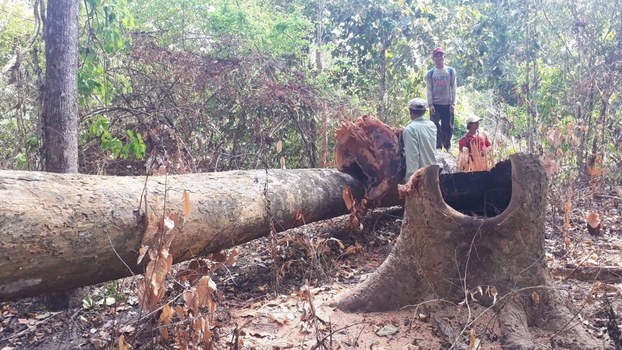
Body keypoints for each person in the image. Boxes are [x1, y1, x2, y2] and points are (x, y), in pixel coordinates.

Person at [426, 47, 457, 151]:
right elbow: (429, 89)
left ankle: (447, 146)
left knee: (448, 126)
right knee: (434, 126)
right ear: (433, 58)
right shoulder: (430, 73)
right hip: (436, 104)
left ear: (444, 57)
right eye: (437, 56)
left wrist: (453, 103)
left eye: (441, 55)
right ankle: (438, 147)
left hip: (447, 104)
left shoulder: (450, 71)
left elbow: (453, 87)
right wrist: (430, 104)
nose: (439, 58)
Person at [402, 98, 437, 182]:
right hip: (432, 174)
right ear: (425, 111)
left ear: (410, 112)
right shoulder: (431, 125)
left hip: (419, 178)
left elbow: (412, 157)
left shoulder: (410, 129)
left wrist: (410, 181)